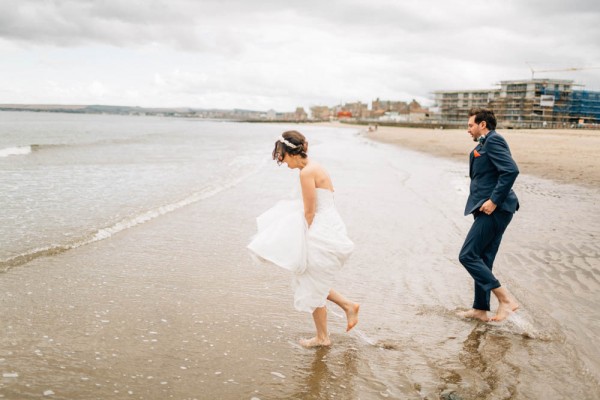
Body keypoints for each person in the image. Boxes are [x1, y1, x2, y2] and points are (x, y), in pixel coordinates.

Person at [248, 130, 359, 347]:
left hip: (320, 227)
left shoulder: (306, 173)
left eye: (283, 157)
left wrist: (302, 239)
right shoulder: (315, 166)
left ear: (291, 153)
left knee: (311, 281)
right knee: (312, 280)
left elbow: (309, 211)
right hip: (329, 222)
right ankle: (346, 308)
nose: (283, 163)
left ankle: (323, 336)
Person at [458, 108, 520, 322]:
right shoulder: (483, 143)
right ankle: (480, 309)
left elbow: (511, 170)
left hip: (496, 208)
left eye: (470, 125)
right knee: (483, 259)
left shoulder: (493, 140)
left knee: (467, 255)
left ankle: (505, 300)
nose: (468, 130)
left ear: (482, 124)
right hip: (486, 208)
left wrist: (494, 200)